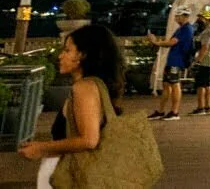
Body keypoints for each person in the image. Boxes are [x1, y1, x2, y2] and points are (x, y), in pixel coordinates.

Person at [18, 23, 133, 189]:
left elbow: (89, 140)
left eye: (67, 50)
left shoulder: (84, 88)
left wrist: (42, 147)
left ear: (83, 55)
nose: (60, 56)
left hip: (71, 176)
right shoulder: (95, 86)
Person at [149, 8, 197, 120]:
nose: (176, 18)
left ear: (184, 16)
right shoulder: (182, 29)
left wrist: (156, 42)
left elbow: (171, 42)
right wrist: (158, 42)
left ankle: (174, 112)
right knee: (166, 85)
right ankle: (161, 111)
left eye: (177, 16)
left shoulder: (186, 29)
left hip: (177, 61)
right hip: (172, 60)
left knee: (175, 85)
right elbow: (170, 42)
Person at [191, 12, 210, 116]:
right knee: (207, 84)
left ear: (207, 19)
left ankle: (201, 108)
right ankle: (208, 107)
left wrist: (197, 61)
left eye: (201, 18)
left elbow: (204, 47)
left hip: (205, 61)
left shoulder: (207, 32)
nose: (199, 20)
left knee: (201, 85)